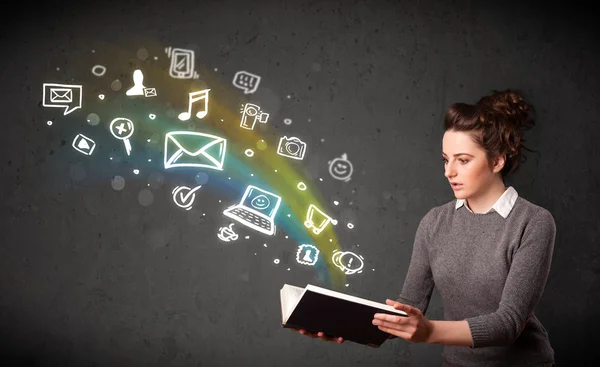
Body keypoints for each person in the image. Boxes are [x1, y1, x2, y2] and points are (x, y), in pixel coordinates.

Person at [293, 89, 556, 367]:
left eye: (462, 160)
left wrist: (429, 331)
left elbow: (509, 323)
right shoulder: (434, 222)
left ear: (497, 160)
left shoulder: (533, 222)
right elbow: (410, 307)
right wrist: (344, 325)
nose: (448, 171)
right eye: (446, 159)